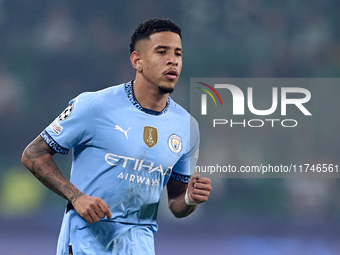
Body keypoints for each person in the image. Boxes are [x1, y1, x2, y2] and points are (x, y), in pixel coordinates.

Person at [22, 18, 212, 255]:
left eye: (178, 53)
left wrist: (191, 199)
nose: (173, 60)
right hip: (86, 241)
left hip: (139, 244)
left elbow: (176, 203)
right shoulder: (93, 106)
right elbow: (33, 154)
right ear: (137, 60)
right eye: (161, 52)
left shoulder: (187, 126)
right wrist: (76, 197)